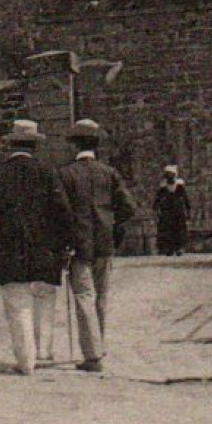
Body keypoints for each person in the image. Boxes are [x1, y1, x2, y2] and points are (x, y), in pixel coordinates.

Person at [0, 119, 80, 375]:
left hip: (9, 251)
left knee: (18, 305)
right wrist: (66, 243)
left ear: (11, 145)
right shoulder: (47, 172)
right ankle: (43, 351)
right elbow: (62, 211)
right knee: (44, 298)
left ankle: (26, 360)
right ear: (35, 146)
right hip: (45, 250)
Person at [57, 119, 139, 372]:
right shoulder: (109, 173)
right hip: (105, 243)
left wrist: (65, 239)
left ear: (74, 145)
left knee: (84, 297)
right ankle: (98, 347)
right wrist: (113, 224)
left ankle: (92, 355)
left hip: (78, 245)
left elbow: (60, 212)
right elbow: (129, 207)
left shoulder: (66, 174)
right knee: (101, 297)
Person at [155, 166, 191, 256]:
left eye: (171, 174)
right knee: (168, 230)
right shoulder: (163, 187)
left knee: (180, 229)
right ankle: (169, 248)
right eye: (168, 174)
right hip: (167, 211)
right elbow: (158, 198)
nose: (169, 176)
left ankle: (179, 248)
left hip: (178, 210)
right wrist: (156, 208)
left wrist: (188, 209)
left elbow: (185, 198)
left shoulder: (179, 186)